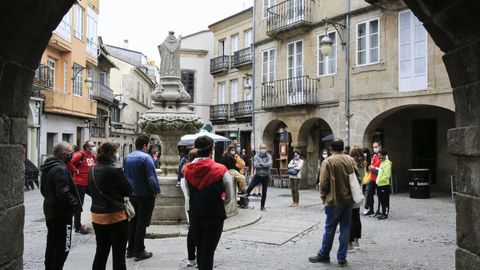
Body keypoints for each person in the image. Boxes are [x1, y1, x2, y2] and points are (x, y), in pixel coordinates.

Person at [183, 136, 233, 270]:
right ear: (212, 149)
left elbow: (187, 193)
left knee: (200, 248)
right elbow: (229, 193)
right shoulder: (221, 169)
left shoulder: (187, 170)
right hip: (214, 214)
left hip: (195, 214)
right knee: (208, 252)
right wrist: (222, 205)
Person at [309, 138, 356, 267]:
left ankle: (324, 254)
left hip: (333, 200)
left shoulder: (328, 161)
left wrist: (323, 197)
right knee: (345, 228)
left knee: (329, 228)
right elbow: (357, 178)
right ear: (343, 148)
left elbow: (323, 182)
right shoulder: (350, 160)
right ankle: (342, 258)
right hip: (348, 199)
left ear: (331, 149)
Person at [88, 141, 132, 270]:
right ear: (112, 154)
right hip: (115, 216)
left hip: (97, 215)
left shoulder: (92, 169)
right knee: (118, 254)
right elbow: (128, 190)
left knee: (101, 251)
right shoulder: (115, 169)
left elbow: (89, 189)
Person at [40, 141, 81, 269]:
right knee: (63, 246)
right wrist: (74, 204)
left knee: (52, 243)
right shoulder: (61, 169)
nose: (72, 155)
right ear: (63, 154)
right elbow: (63, 193)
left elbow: (43, 190)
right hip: (62, 214)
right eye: (70, 152)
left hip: (50, 211)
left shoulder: (48, 166)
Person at [123, 135, 160, 261]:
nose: (149, 146)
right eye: (148, 144)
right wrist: (156, 191)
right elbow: (151, 177)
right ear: (145, 145)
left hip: (132, 194)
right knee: (141, 223)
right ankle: (139, 250)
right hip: (145, 195)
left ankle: (130, 249)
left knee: (132, 221)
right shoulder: (146, 158)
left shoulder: (128, 157)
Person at [66, 140, 97, 234]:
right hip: (79, 183)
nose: (93, 147)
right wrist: (75, 170)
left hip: (90, 183)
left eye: (93, 145)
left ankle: (96, 221)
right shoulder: (79, 155)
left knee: (97, 198)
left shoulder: (93, 156)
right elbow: (69, 163)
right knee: (79, 204)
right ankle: (78, 226)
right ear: (86, 147)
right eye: (91, 145)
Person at [180, 149, 199, 267]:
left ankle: (191, 258)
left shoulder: (186, 169)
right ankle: (200, 258)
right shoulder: (194, 169)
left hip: (189, 203)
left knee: (192, 231)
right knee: (200, 233)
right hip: (198, 204)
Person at [245, 143, 272, 211]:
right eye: (262, 148)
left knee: (264, 192)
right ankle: (244, 202)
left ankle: (262, 207)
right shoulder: (256, 156)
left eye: (264, 148)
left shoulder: (269, 156)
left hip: (266, 176)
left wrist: (261, 164)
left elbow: (269, 164)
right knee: (249, 188)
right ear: (260, 149)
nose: (263, 149)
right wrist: (264, 165)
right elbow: (255, 165)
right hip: (257, 175)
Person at [349, 146, 366, 249]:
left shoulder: (350, 164)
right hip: (359, 192)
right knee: (356, 217)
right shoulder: (363, 164)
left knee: (350, 217)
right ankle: (356, 241)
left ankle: (350, 242)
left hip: (351, 192)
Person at [364, 142, 382, 216]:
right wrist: (372, 167)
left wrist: (372, 167)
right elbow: (371, 164)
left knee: (380, 195)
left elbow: (379, 165)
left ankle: (379, 210)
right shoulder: (374, 155)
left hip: (379, 178)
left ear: (380, 146)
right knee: (370, 194)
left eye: (376, 147)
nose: (375, 148)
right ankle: (371, 209)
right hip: (372, 178)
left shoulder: (382, 155)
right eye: (373, 147)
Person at [376, 149, 392, 220]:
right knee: (381, 199)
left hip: (384, 185)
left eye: (380, 155)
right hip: (379, 184)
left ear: (384, 155)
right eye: (378, 156)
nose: (379, 157)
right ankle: (382, 212)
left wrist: (379, 180)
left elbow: (387, 175)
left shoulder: (387, 164)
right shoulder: (382, 163)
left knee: (385, 199)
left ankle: (385, 213)